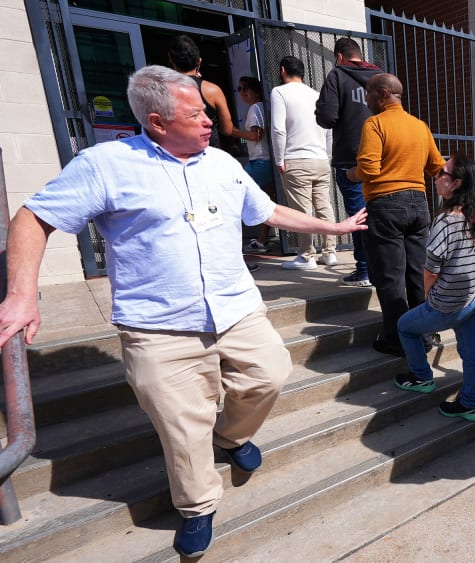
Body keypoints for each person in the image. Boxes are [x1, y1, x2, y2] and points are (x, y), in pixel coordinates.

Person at [0, 66, 367, 558]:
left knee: (271, 374)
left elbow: (267, 212)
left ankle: (231, 434)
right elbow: (33, 216)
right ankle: (197, 506)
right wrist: (22, 293)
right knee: (182, 424)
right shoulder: (106, 164)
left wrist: (333, 229)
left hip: (236, 309)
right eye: (196, 114)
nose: (211, 120)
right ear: (157, 121)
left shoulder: (221, 162)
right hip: (158, 326)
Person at [394, 154, 475, 421]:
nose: (437, 177)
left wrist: (428, 296)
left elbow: (430, 270)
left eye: (443, 173)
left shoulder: (445, 222)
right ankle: (470, 404)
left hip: (447, 305)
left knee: (405, 326)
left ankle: (421, 377)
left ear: (456, 184)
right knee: (471, 353)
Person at [346, 73, 445, 356]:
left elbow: (368, 169)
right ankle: (424, 334)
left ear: (381, 94)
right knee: (416, 273)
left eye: (367, 93)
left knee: (390, 276)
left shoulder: (375, 124)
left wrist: (350, 173)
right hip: (418, 204)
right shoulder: (419, 125)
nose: (365, 100)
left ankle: (396, 339)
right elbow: (436, 166)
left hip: (385, 204)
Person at [316, 37, 383, 287]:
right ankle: (382, 267)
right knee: (380, 214)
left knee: (359, 217)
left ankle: (365, 270)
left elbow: (327, 116)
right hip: (381, 158)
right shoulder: (380, 77)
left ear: (340, 56)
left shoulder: (337, 75)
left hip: (350, 158)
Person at [271, 55, 338, 270]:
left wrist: (279, 158)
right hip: (320, 159)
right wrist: (327, 156)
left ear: (282, 70)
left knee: (302, 210)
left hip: (296, 159)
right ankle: (330, 252)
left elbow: (278, 129)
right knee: (324, 205)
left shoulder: (279, 92)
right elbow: (328, 130)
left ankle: (307, 255)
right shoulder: (316, 95)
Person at [166, 35, 234, 148]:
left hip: (178, 154)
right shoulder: (212, 91)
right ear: (199, 61)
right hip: (209, 154)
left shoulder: (164, 91)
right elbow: (227, 130)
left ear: (171, 60)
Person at [234, 76, 275, 254]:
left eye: (245, 88)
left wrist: (233, 132)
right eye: (239, 89)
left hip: (260, 160)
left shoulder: (255, 108)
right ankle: (262, 240)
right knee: (267, 200)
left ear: (256, 91)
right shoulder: (261, 107)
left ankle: (230, 243)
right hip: (266, 161)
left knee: (234, 195)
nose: (242, 92)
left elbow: (256, 135)